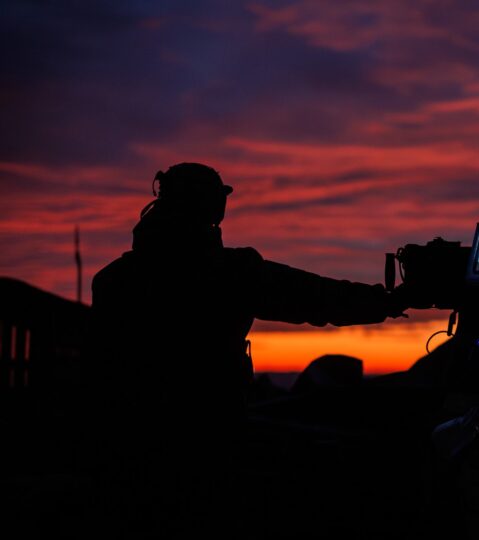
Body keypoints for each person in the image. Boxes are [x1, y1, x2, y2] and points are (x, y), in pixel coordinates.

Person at [88, 162, 406, 532]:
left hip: (127, 448)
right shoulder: (232, 272)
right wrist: (384, 302)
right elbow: (316, 298)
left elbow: (100, 369)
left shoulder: (112, 280)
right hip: (210, 440)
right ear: (212, 208)